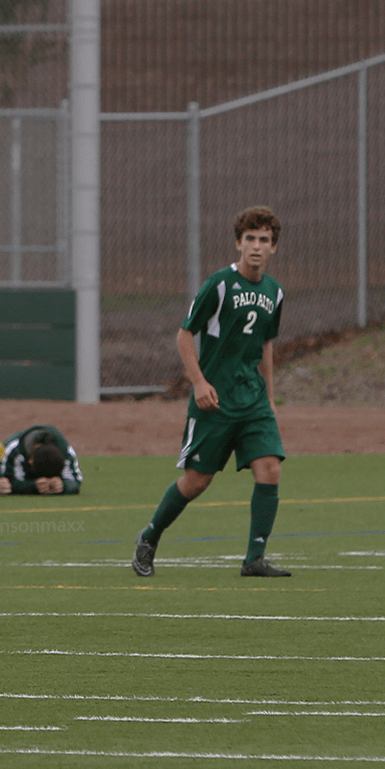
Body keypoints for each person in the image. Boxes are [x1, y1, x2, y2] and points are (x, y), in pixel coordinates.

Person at [133, 205, 290, 578]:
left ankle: (254, 559)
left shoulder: (275, 292)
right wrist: (199, 382)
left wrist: (270, 396)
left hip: (253, 398)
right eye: (250, 238)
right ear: (238, 243)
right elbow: (184, 335)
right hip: (215, 400)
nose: (256, 246)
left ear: (273, 247)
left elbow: (266, 345)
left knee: (270, 469)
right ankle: (150, 536)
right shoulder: (219, 285)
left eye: (264, 240)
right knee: (197, 481)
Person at [0, 423, 81, 496]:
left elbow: (75, 481)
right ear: (30, 460)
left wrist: (62, 485)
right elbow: (7, 482)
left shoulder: (66, 451)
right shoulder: (14, 450)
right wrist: (33, 486)